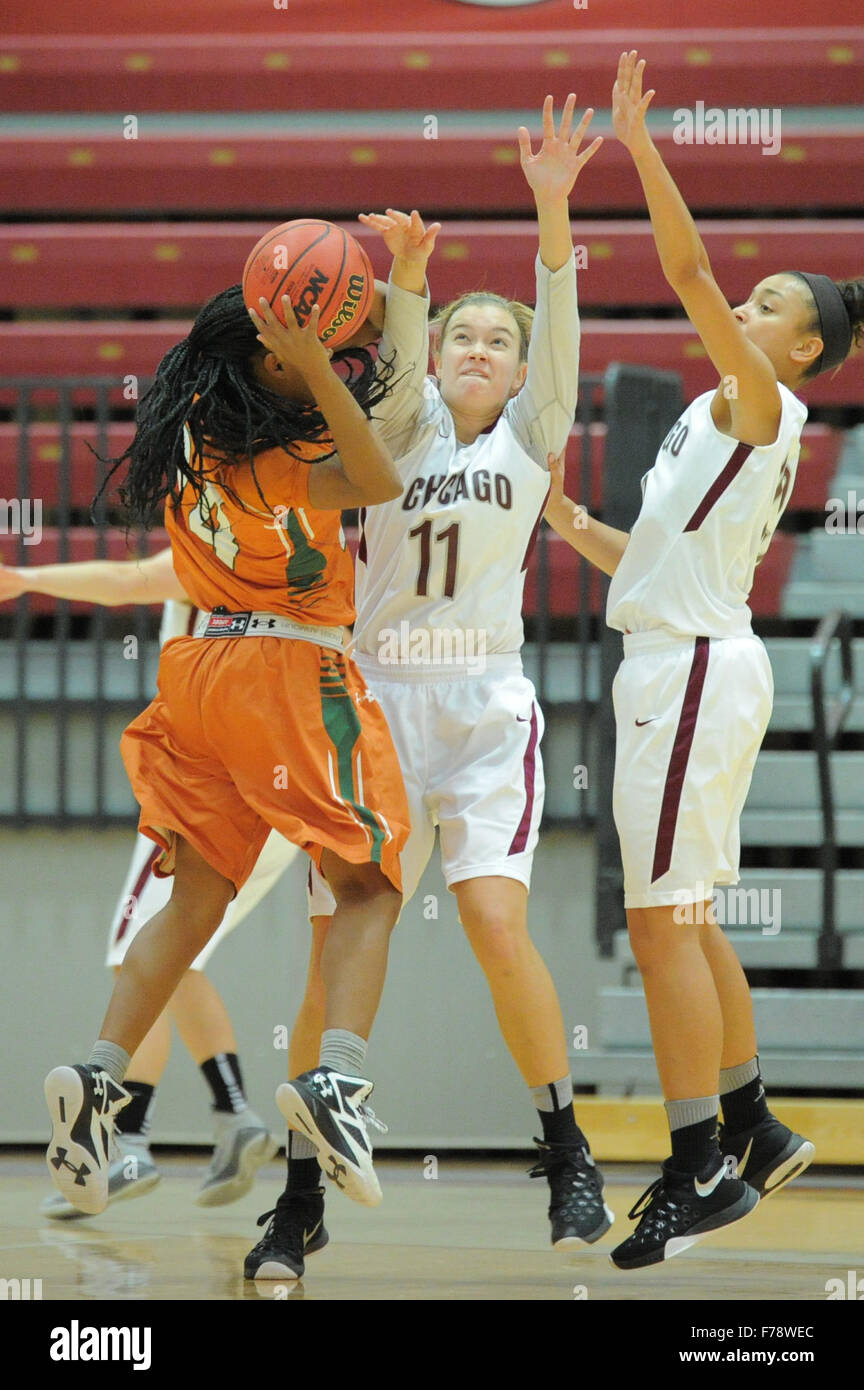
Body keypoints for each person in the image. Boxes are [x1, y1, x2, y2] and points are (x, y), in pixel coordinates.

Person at [245, 95, 613, 1283]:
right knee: (334, 945)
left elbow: (558, 324)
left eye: (497, 342)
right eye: (462, 333)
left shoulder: (530, 439)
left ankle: (565, 1145)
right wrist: (410, 276)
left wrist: (551, 203)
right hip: (373, 703)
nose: (478, 351)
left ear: (517, 373)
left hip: (484, 708)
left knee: (498, 924)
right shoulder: (395, 438)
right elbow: (396, 367)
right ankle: (299, 1197)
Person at [543, 51, 864, 1271]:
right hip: (690, 653)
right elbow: (666, 555)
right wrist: (577, 527)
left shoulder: (755, 397)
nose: (749, 303)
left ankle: (695, 1167)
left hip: (690, 675)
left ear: (802, 351)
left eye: (773, 300)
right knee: (690, 915)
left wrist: (636, 141)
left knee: (657, 921)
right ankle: (750, 1118)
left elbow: (685, 267)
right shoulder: (725, 415)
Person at [43, 278, 412, 1220]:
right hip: (286, 669)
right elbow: (377, 480)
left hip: (196, 670)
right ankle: (339, 1081)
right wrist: (324, 368)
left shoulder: (194, 435)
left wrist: (309, 348)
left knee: (193, 897)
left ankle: (100, 1078)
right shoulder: (285, 446)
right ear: (274, 358)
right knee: (368, 881)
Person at [0, 549, 303, 1214]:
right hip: (280, 778)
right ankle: (231, 1116)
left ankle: (131, 1141)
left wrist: (25, 579)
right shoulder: (298, 550)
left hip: (212, 780)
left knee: (138, 953)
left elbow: (127, 579)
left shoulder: (222, 536)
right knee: (177, 954)